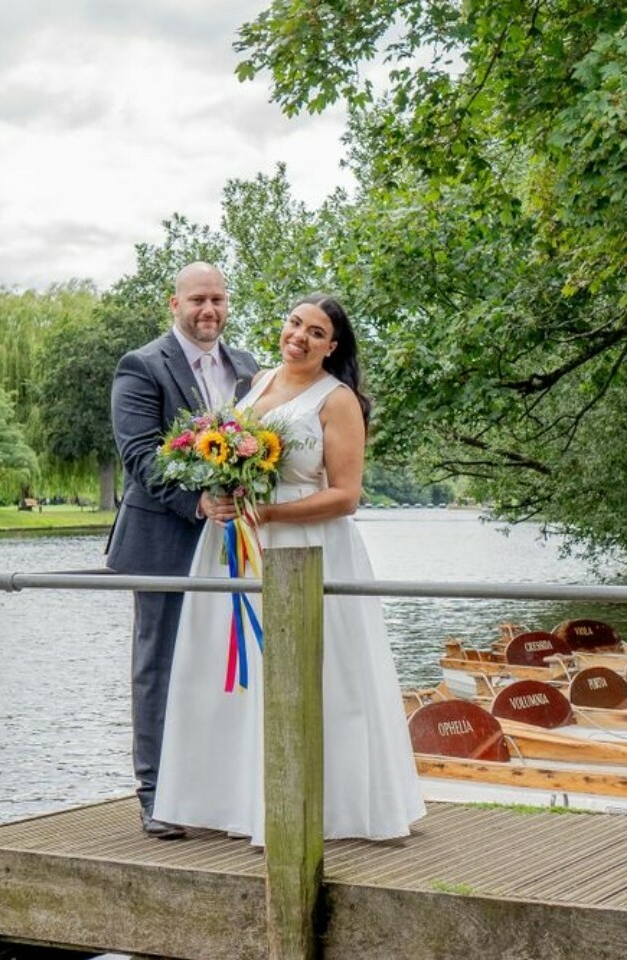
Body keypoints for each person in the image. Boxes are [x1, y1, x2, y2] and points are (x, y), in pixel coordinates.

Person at [153, 294, 426, 844]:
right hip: (240, 544)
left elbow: (347, 496)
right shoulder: (258, 381)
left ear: (333, 346)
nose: (299, 336)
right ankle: (237, 802)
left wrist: (268, 512)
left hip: (305, 543)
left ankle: (332, 807)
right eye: (295, 323)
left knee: (318, 671)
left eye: (316, 332)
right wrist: (222, 486)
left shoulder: (338, 399)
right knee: (236, 669)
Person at [106, 262, 259, 838]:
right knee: (160, 665)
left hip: (235, 545)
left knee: (225, 665)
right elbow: (141, 457)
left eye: (217, 299)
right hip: (165, 540)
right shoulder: (142, 366)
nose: (208, 311)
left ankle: (215, 790)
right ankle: (154, 794)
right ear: (174, 304)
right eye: (197, 300)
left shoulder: (247, 368)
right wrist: (198, 504)